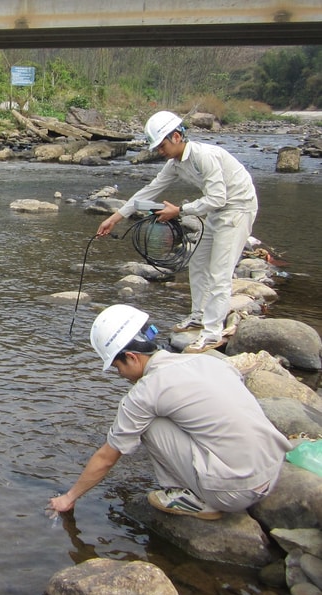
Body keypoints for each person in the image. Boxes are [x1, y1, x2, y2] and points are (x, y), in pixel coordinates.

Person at [48, 304, 290, 520]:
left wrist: (69, 497)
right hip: (273, 469)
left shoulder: (146, 391)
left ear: (131, 357)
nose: (120, 375)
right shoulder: (209, 361)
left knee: (148, 425)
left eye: (116, 367)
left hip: (235, 493)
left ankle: (188, 497)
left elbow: (107, 457)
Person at [96, 111, 258, 353]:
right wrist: (115, 217)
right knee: (198, 263)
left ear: (176, 136)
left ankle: (212, 333)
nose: (159, 151)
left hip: (237, 209)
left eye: (161, 145)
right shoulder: (175, 164)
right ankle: (199, 316)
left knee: (219, 274)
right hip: (216, 212)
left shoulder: (205, 156)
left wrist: (180, 211)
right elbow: (149, 190)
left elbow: (217, 197)